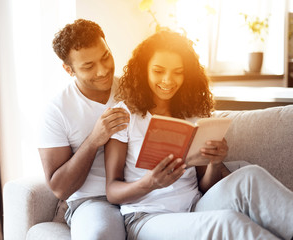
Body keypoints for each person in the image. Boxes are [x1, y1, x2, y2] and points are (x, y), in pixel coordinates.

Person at [104, 30, 293, 240]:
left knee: (250, 176)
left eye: (178, 72)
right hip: (147, 218)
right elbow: (112, 191)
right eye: (158, 70)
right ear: (143, 70)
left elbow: (206, 185)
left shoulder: (192, 116)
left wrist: (214, 162)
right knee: (227, 222)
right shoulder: (124, 115)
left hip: (195, 208)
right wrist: (150, 183)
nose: (168, 79)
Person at [37, 19, 129, 240]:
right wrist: (94, 140)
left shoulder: (133, 90)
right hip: (94, 201)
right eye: (88, 66)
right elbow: (60, 188)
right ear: (68, 69)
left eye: (106, 56)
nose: (103, 70)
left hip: (144, 190)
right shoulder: (57, 110)